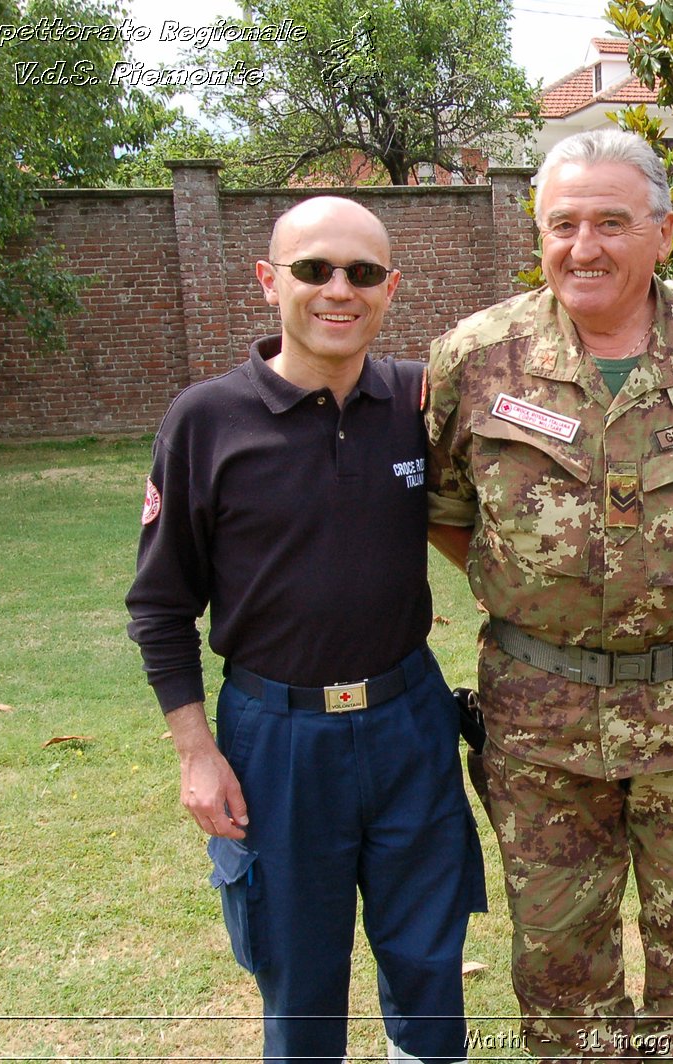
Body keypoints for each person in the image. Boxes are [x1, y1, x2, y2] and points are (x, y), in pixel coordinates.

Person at [423, 129, 673, 1059]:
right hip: (538, 720)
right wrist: (546, 596)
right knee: (559, 968)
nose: (585, 247)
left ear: (664, 233)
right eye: (564, 223)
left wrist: (665, 592)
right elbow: (448, 511)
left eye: (613, 223)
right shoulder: (476, 359)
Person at [125, 196, 487, 1064]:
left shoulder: (417, 399)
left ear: (390, 288)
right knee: (300, 989)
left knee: (430, 977)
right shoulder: (206, 421)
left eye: (362, 273)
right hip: (275, 743)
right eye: (314, 269)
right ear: (268, 281)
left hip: (410, 726)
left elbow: (549, 359)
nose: (339, 290)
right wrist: (195, 752)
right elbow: (160, 606)